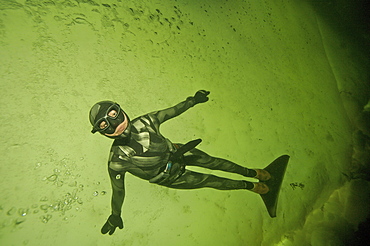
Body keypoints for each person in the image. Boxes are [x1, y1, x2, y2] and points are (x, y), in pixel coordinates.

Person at [89, 90, 271, 235]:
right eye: (104, 125)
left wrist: (193, 100)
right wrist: (115, 215)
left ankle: (251, 173)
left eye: (113, 114)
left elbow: (173, 111)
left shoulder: (146, 122)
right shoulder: (118, 160)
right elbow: (118, 191)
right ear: (101, 131)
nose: (114, 123)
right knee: (210, 180)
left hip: (179, 151)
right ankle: (249, 185)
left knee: (214, 162)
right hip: (171, 176)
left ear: (120, 110)